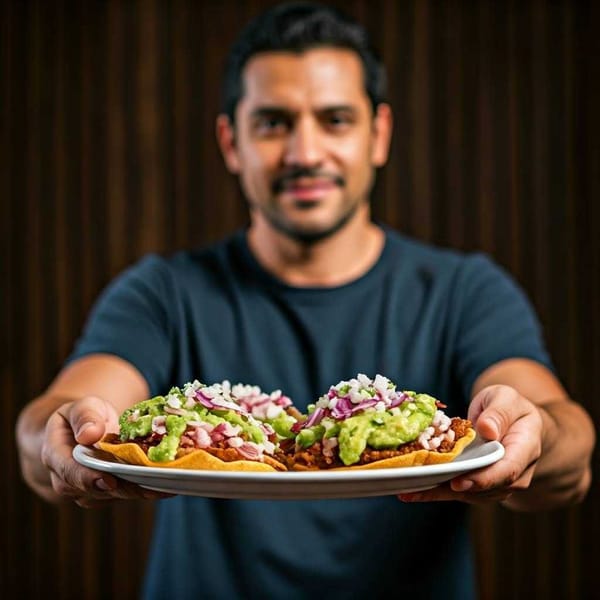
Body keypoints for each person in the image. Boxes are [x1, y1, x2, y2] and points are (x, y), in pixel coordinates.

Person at [16, 2, 594, 599]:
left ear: (380, 134)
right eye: (273, 122)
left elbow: (567, 452)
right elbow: (54, 423)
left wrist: (536, 432)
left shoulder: (465, 292)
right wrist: (57, 435)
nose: (305, 153)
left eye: (335, 119)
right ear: (230, 142)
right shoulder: (161, 293)